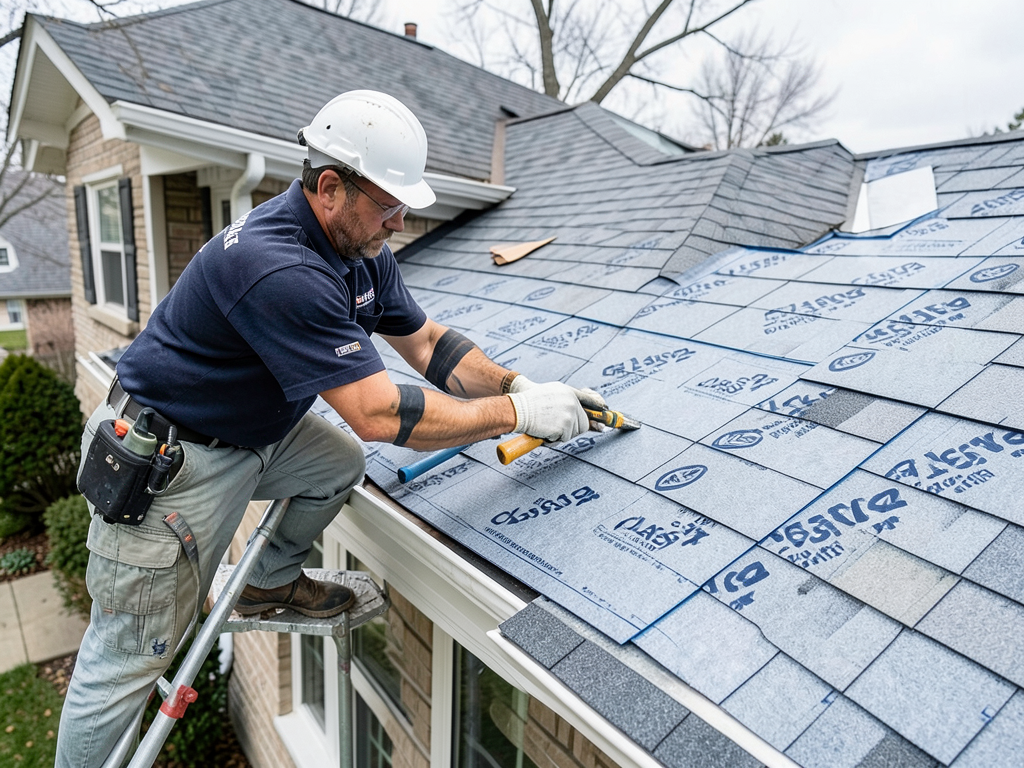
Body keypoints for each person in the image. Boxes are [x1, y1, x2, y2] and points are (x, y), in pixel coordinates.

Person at [56, 90, 602, 767]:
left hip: (252, 435)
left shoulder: (362, 250)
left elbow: (428, 344)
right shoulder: (278, 265)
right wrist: (516, 418)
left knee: (334, 461)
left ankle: (266, 585)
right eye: (389, 207)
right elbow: (378, 414)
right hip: (169, 465)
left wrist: (519, 385)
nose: (399, 224)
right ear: (329, 186)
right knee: (124, 666)